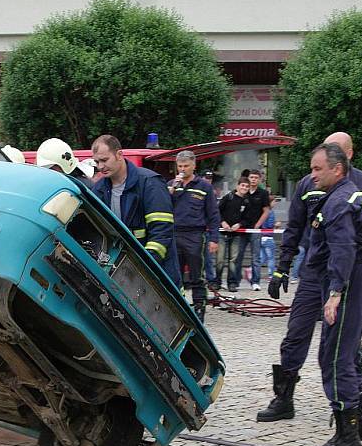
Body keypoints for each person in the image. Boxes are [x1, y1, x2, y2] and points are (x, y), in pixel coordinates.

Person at [258, 132, 362, 433]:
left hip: (345, 272)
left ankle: (358, 415)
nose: (316, 170)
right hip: (314, 272)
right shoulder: (308, 184)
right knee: (296, 334)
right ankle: (284, 398)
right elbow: (295, 227)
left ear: (346, 156)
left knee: (340, 347)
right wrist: (281, 268)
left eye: (333, 152)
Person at [301, 144, 362, 446]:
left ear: (338, 168)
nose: (312, 174)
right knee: (344, 354)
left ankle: (347, 437)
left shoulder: (339, 202)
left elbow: (343, 249)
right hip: (355, 281)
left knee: (335, 359)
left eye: (318, 169)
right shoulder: (346, 195)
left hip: (348, 284)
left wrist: (335, 293)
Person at [91, 134, 181, 286]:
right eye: (97, 162)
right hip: (121, 274)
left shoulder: (149, 183)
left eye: (104, 160)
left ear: (119, 154)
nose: (100, 167)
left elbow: (162, 231)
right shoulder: (99, 190)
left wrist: (146, 266)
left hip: (158, 273)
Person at [169, 150, 220, 320]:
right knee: (175, 274)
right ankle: (177, 309)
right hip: (175, 234)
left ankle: (199, 309)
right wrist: (170, 192)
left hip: (195, 235)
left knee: (197, 275)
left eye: (186, 166)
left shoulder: (204, 186)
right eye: (180, 166)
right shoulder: (172, 185)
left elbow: (213, 214)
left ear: (194, 165)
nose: (182, 169)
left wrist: (214, 239)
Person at [233, 169, 270, 290]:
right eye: (251, 177)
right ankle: (235, 281)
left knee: (256, 257)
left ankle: (255, 281)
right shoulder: (243, 191)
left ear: (259, 179)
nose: (253, 179)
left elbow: (266, 211)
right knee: (238, 256)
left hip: (255, 229)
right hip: (241, 229)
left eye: (255, 177)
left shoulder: (263, 193)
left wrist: (258, 225)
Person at [215, 177, 250, 292]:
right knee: (220, 259)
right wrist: (223, 222)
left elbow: (247, 219)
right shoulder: (228, 197)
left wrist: (239, 225)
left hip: (236, 234)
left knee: (233, 260)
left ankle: (232, 283)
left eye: (246, 186)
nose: (244, 188)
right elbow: (217, 211)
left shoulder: (246, 202)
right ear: (238, 186)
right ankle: (217, 282)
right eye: (242, 185)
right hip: (222, 233)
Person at [259, 195, 278, 279]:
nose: (275, 203)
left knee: (262, 257)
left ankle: (251, 270)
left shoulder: (263, 212)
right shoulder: (270, 212)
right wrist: (276, 225)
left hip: (262, 237)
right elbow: (270, 225)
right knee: (271, 258)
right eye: (274, 201)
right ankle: (271, 274)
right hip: (268, 238)